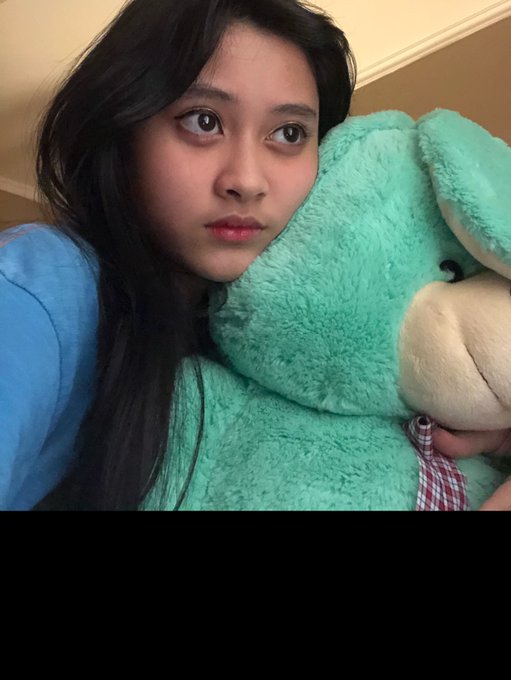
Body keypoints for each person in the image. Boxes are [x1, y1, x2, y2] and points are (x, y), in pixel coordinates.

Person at [0, 0, 356, 510]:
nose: (246, 181)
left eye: (289, 133)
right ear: (122, 127)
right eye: (204, 121)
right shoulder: (42, 288)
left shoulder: (273, 335)